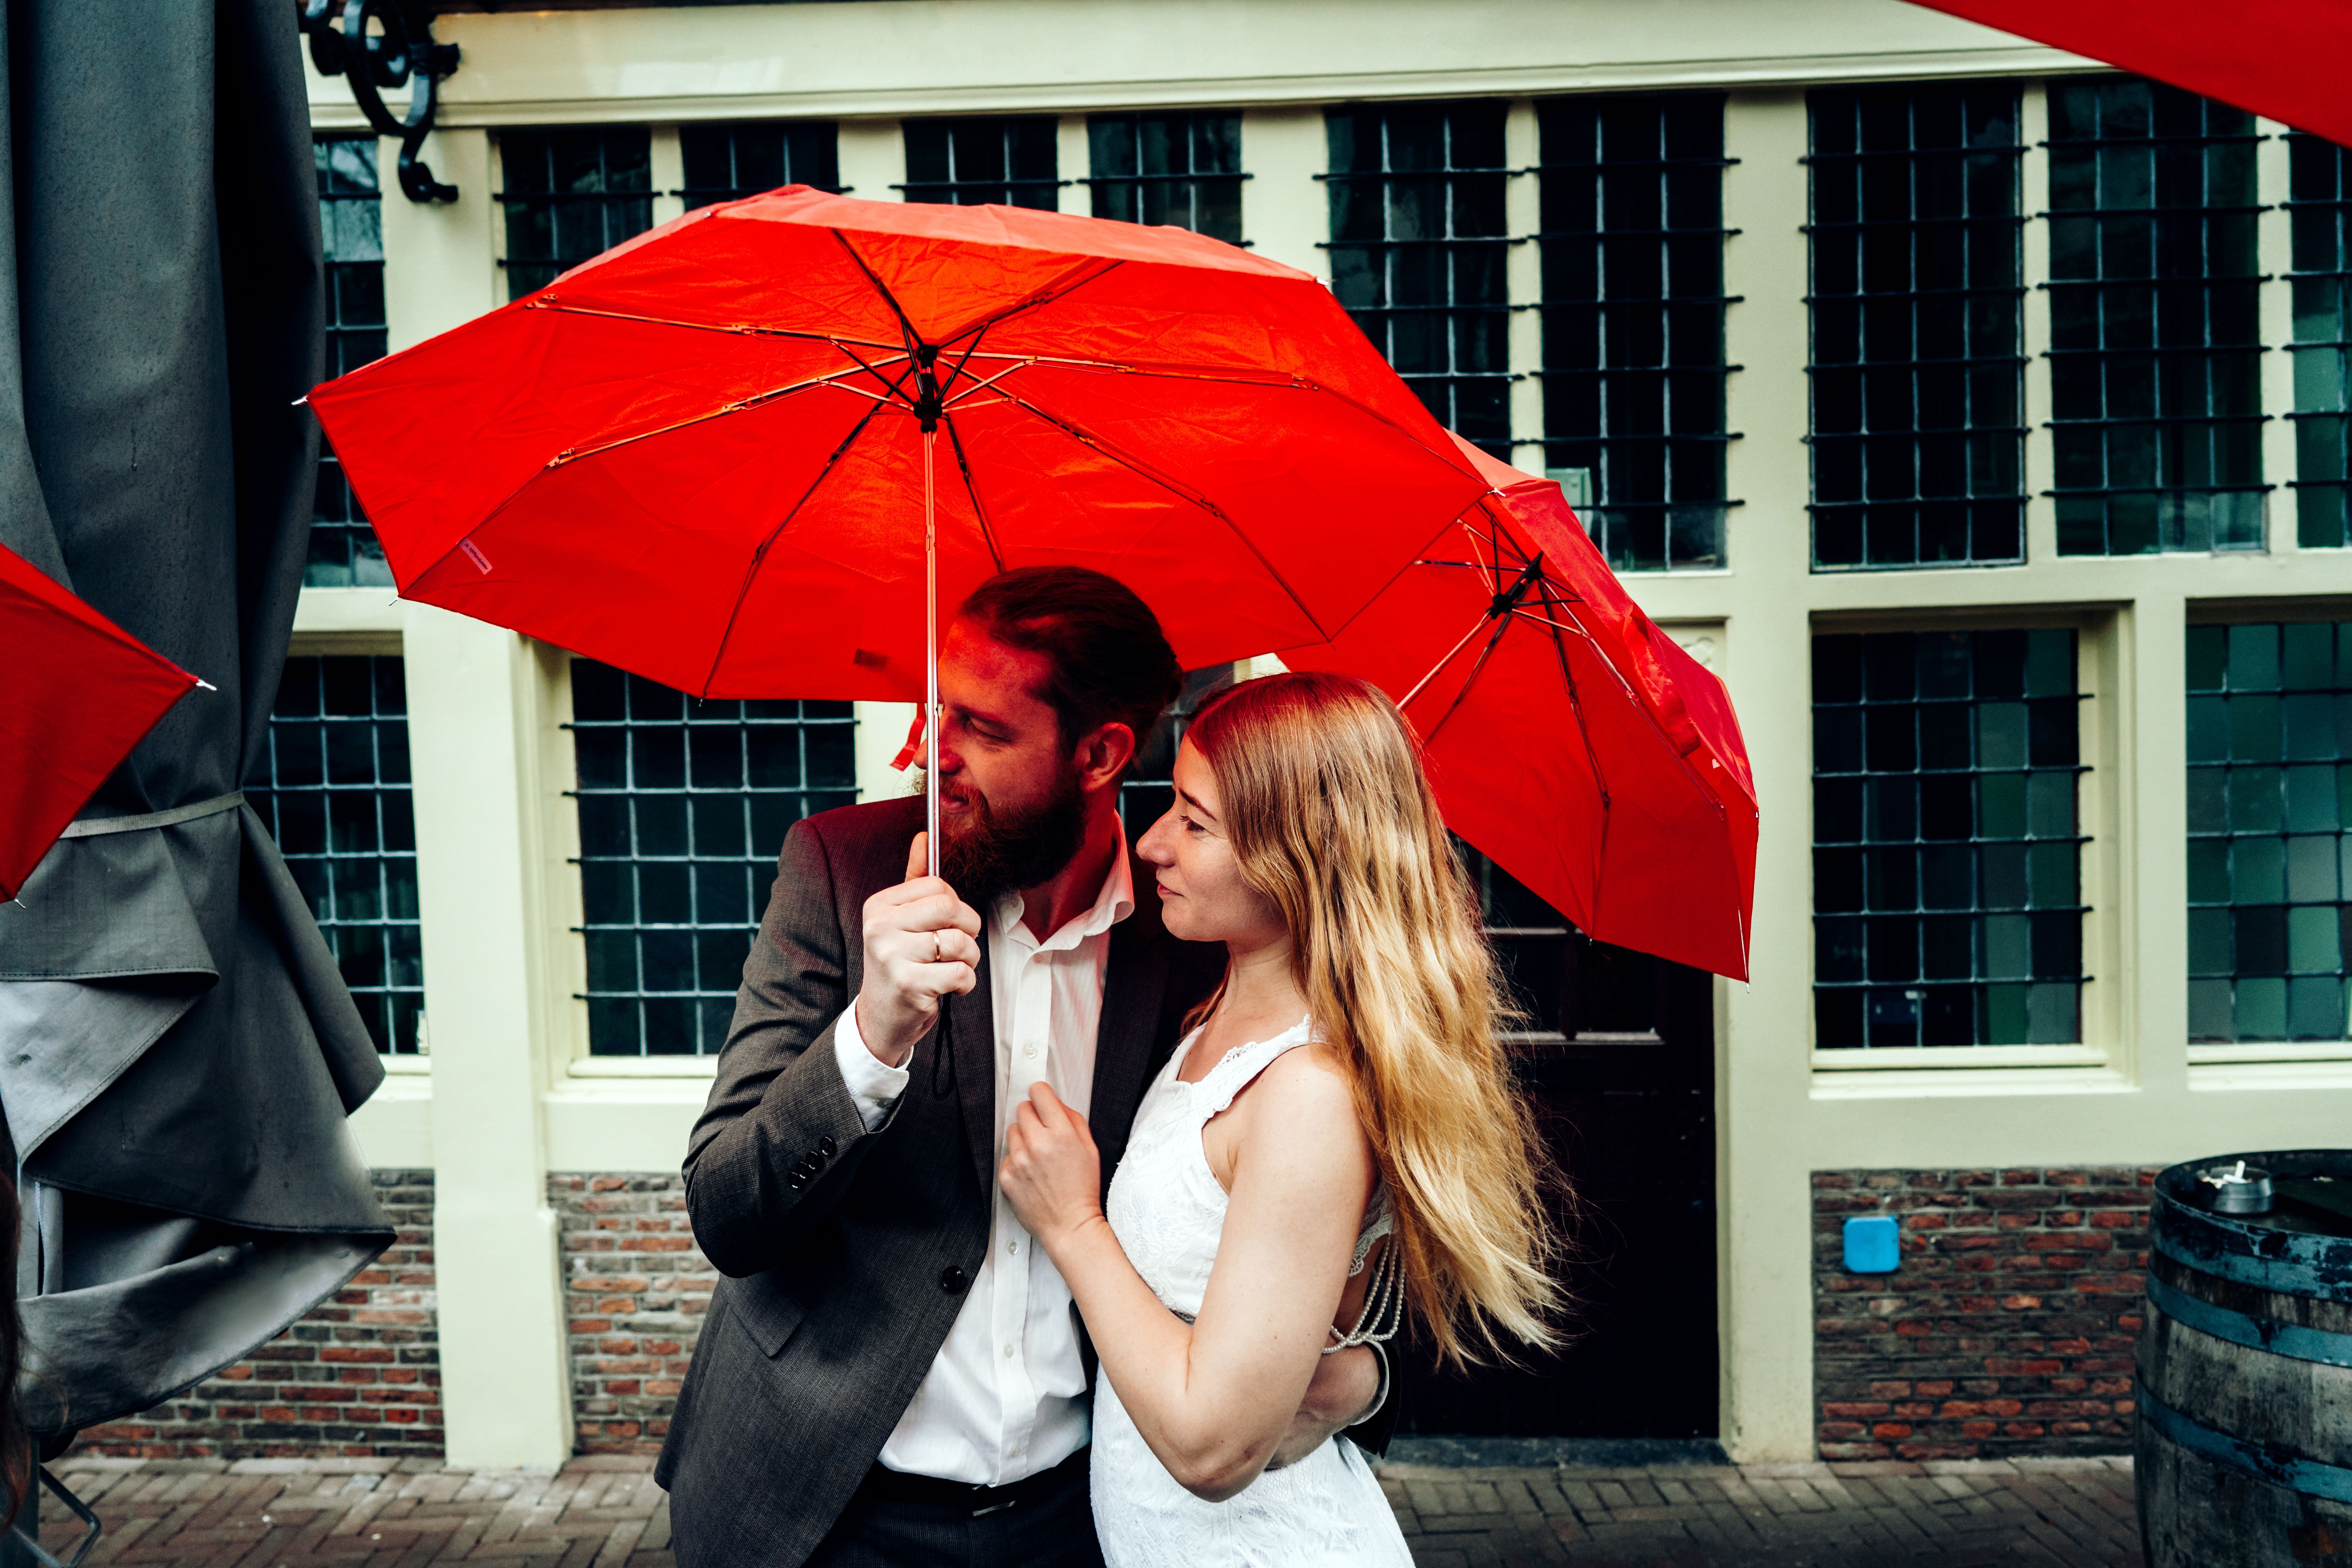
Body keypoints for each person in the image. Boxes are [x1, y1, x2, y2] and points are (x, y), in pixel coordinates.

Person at [655, 568, 1392, 1568]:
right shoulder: (843, 868)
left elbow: (1349, 1233)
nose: (926, 754)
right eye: (935, 710)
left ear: (1100, 754)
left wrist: (1364, 1377)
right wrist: (870, 1035)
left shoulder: (1200, 935)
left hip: (1079, 1516)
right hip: (822, 1502)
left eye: (983, 730)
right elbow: (727, 1210)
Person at [996, 671, 1559, 1567]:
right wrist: (1361, 1371)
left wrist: (1073, 1223)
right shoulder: (1210, 1007)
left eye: (1195, 820)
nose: (1151, 844)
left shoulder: (1309, 1091)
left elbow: (1213, 1446)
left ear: (1300, 852)